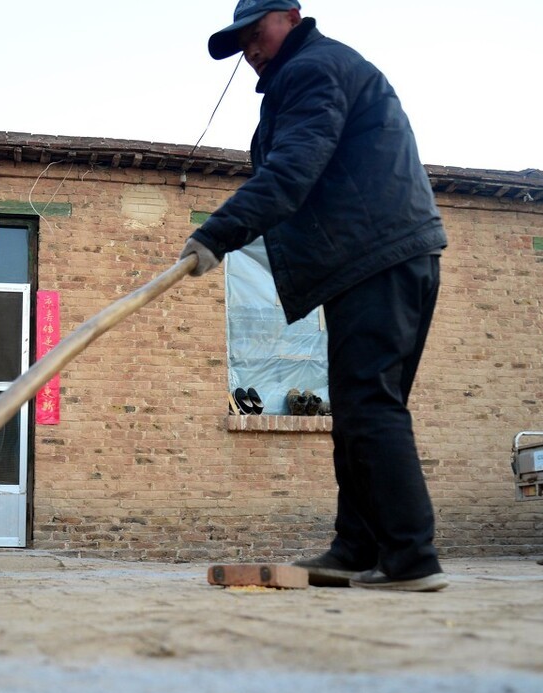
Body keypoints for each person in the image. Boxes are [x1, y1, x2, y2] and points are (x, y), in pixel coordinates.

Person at [180, 0, 448, 591]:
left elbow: (291, 172)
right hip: (381, 255)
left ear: (292, 17)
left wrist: (217, 235)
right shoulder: (317, 71)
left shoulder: (312, 69)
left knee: (368, 405)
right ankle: (356, 548)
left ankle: (411, 558)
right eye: (241, 43)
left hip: (377, 255)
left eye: (256, 32)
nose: (250, 50)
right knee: (360, 408)